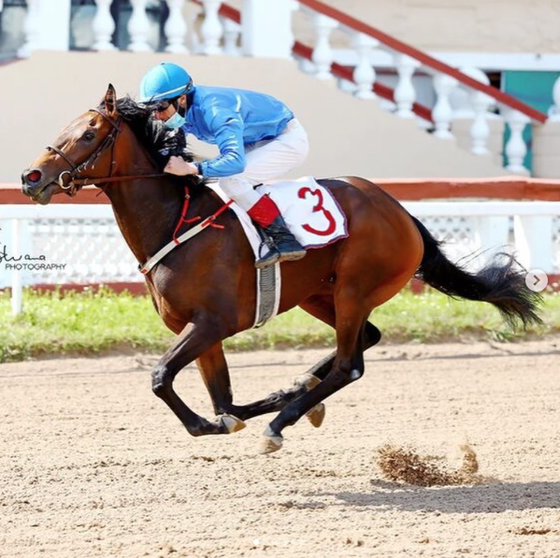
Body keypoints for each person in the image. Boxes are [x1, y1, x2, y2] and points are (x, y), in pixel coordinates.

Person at [138, 62, 309, 268]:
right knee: (225, 184)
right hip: (257, 139)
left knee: (232, 180)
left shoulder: (215, 110)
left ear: (181, 98)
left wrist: (193, 169)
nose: (157, 115)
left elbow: (235, 162)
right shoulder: (183, 109)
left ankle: (284, 239)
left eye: (160, 107)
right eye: (152, 109)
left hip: (286, 140)